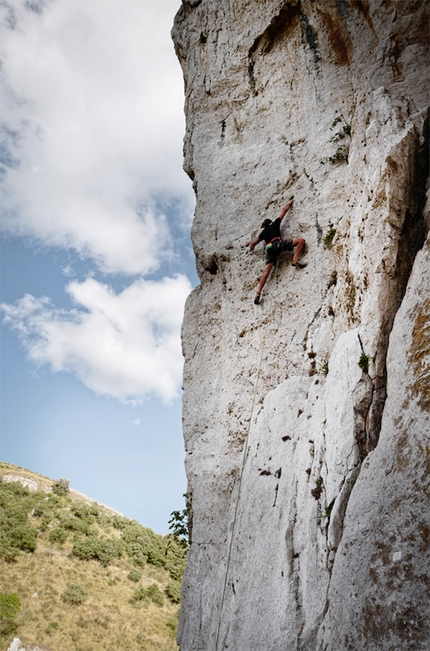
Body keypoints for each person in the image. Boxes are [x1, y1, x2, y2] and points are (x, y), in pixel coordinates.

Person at [249, 197, 306, 304]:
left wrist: (251, 247)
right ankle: (294, 260)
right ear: (270, 223)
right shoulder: (275, 223)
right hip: (277, 243)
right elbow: (284, 211)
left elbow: (253, 243)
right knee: (301, 241)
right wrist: (290, 202)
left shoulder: (263, 233)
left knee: (266, 273)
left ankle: (258, 293)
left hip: (269, 248)